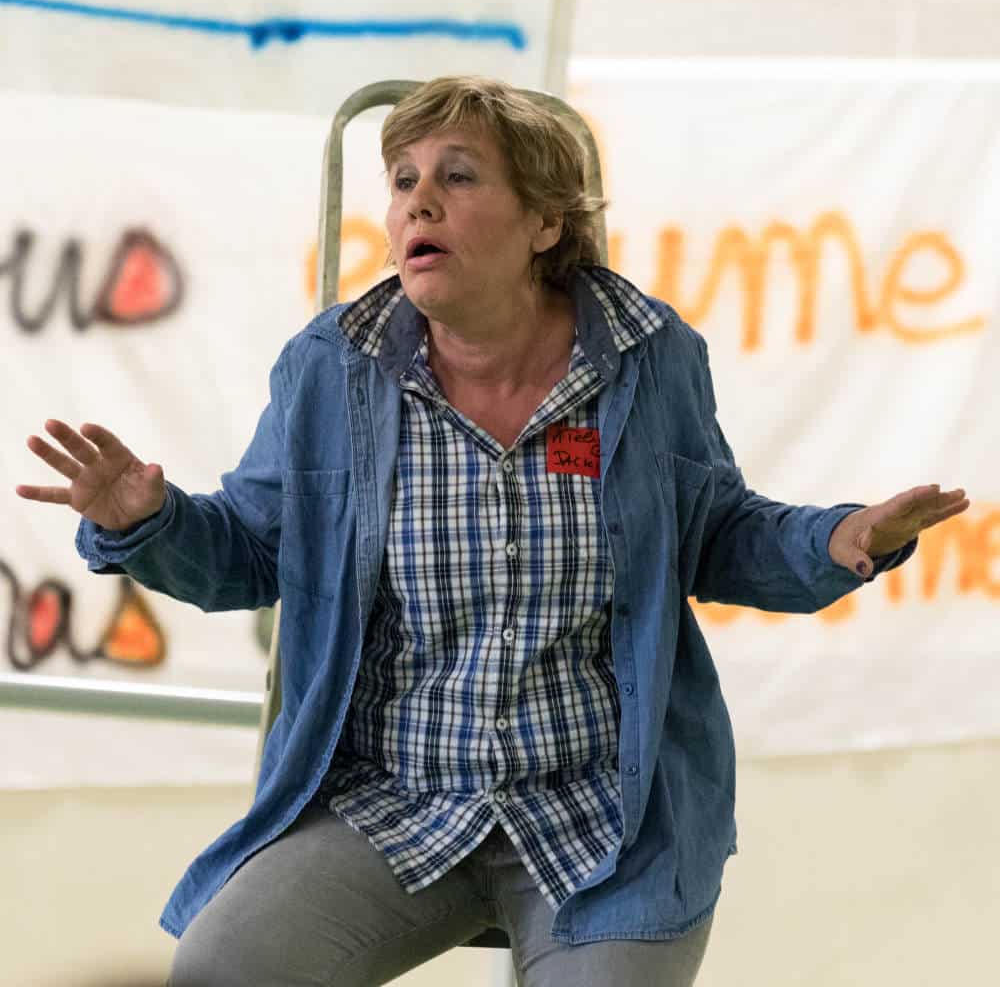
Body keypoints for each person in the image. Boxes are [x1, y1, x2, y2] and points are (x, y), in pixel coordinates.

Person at [16, 77, 968, 987]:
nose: (418, 203)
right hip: (388, 800)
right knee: (221, 971)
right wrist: (148, 523)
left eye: (458, 176)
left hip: (605, 816)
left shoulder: (652, 359)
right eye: (403, 181)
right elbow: (253, 555)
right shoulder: (331, 368)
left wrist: (838, 540)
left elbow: (716, 533)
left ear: (545, 223)